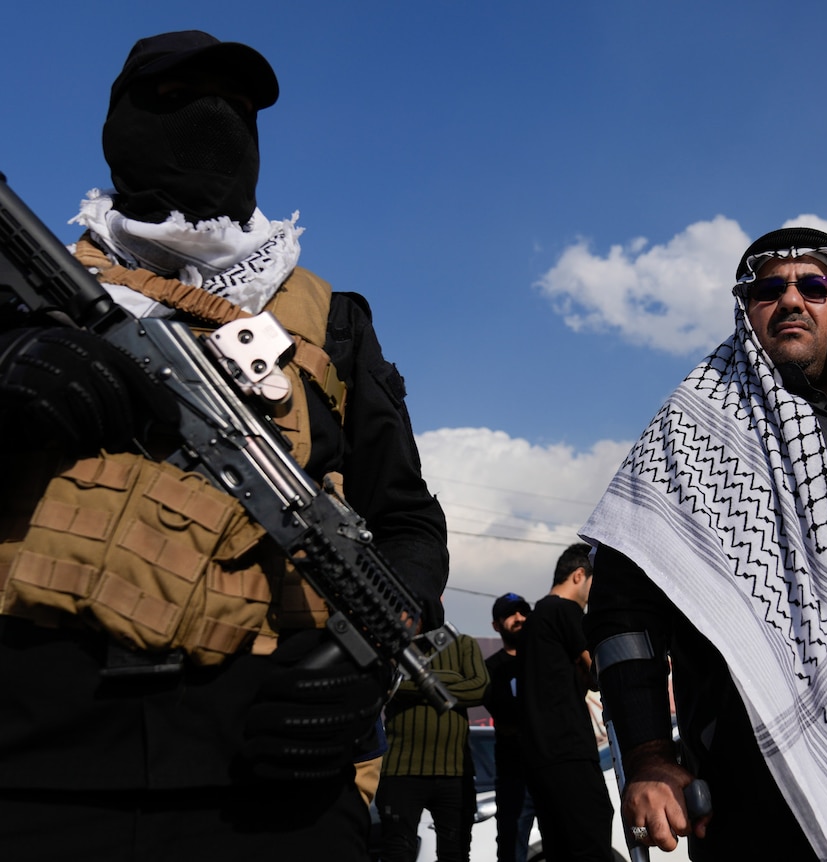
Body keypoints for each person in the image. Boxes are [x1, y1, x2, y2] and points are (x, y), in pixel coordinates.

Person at [0, 30, 449, 861]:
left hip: (269, 781)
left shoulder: (332, 320)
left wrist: (368, 662)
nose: (212, 122)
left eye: (236, 109)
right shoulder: (33, 291)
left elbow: (408, 524)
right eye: (175, 101)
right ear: (120, 123)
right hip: (30, 759)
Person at [581, 226, 827, 861]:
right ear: (747, 308)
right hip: (758, 787)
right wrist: (651, 754)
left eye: (813, 285)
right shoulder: (690, 436)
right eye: (770, 287)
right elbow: (625, 616)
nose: (792, 300)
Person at [517, 544, 614, 862]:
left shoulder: (536, 619)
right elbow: (596, 670)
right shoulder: (565, 610)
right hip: (569, 747)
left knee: (559, 845)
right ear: (579, 575)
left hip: (539, 754)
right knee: (592, 836)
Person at [377, 632, 489, 862]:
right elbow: (385, 683)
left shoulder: (463, 643)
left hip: (455, 772)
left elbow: (480, 688)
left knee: (455, 854)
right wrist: (453, 678)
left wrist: (416, 680)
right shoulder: (393, 643)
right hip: (401, 770)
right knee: (397, 852)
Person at [483, 592, 536, 862]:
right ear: (496, 625)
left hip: (549, 768)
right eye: (511, 614)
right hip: (513, 774)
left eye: (523, 612)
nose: (519, 619)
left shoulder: (543, 662)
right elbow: (503, 719)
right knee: (511, 846)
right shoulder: (489, 669)